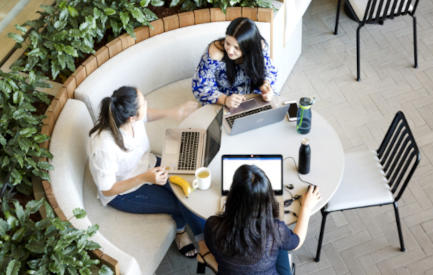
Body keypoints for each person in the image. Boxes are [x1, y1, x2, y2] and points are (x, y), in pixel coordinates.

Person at [87, 86, 203, 258]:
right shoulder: (104, 147)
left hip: (148, 164)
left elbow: (146, 115)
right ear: (132, 117)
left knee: (189, 192)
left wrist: (174, 112)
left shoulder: (129, 118)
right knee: (179, 202)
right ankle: (190, 237)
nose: (147, 104)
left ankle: (208, 236)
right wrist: (144, 178)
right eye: (143, 103)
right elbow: (107, 189)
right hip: (123, 192)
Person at [201, 164, 321, 274]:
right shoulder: (275, 230)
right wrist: (306, 207)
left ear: (232, 194)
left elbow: (213, 248)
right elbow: (297, 242)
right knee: (281, 247)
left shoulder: (213, 226)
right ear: (267, 198)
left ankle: (207, 259)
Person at [192, 17, 278, 108]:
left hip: (253, 92)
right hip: (224, 97)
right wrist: (225, 100)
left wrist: (265, 86)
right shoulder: (215, 52)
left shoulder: (259, 46)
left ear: (249, 47)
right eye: (227, 43)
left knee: (272, 109)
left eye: (236, 48)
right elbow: (200, 88)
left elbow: (270, 72)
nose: (230, 51)